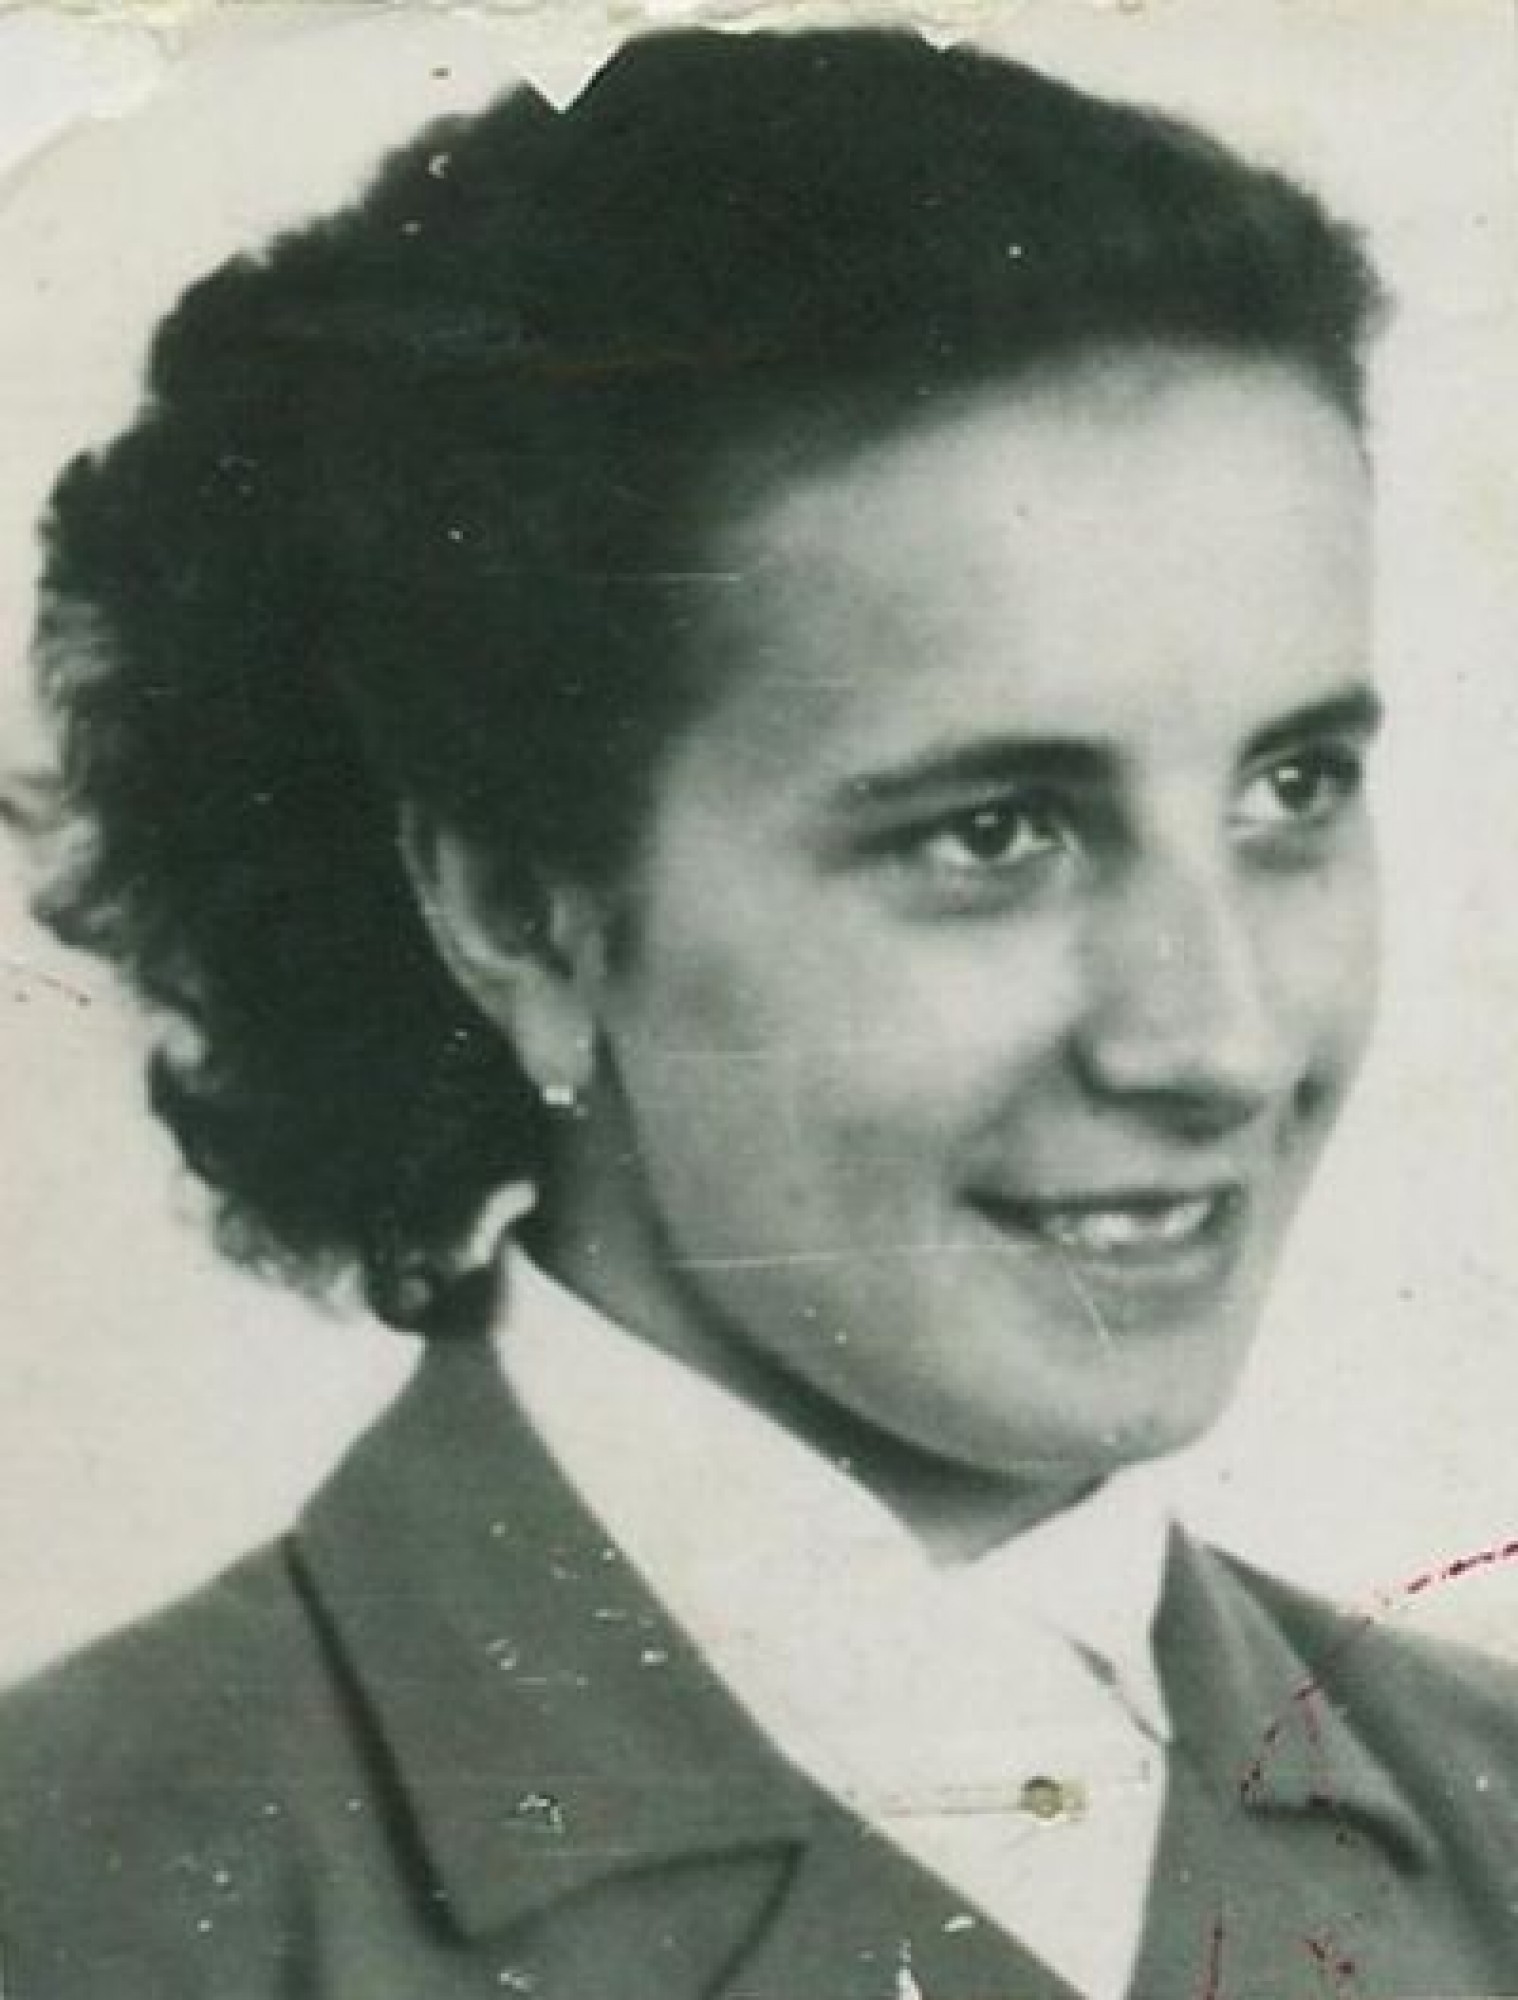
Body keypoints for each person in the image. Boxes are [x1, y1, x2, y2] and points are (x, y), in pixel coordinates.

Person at [2, 24, 1515, 1999]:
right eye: (993, 831)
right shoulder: (86, 1897)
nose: (1216, 1041)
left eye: (1289, 790)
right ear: (521, 915)